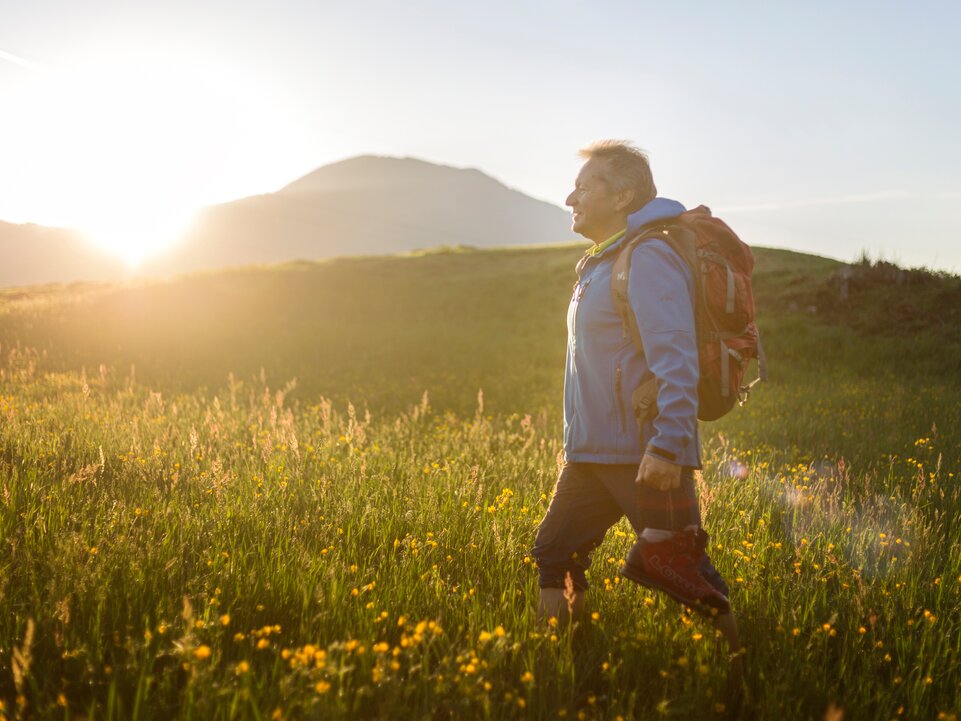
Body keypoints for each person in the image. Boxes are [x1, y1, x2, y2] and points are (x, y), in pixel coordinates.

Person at [531, 139, 743, 683]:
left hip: (642, 453)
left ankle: (745, 666)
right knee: (554, 552)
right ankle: (560, 665)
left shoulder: (646, 257)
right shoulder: (601, 262)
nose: (569, 197)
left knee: (684, 573)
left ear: (622, 194)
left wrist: (669, 445)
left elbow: (675, 359)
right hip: (593, 452)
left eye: (584, 186)